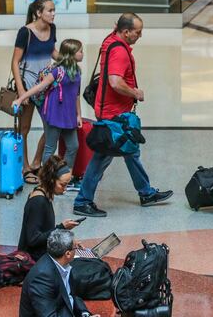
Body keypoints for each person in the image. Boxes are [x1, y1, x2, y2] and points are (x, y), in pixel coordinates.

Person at [73, 13, 173, 217]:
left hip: (110, 109)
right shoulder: (119, 51)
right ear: (126, 32)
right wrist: (135, 92)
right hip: (113, 114)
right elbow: (115, 81)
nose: (140, 36)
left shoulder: (110, 40)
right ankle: (82, 201)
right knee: (102, 157)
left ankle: (145, 192)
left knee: (131, 150)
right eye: (138, 32)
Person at [13, 39, 83, 180]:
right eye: (80, 51)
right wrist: (21, 98)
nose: (82, 54)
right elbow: (40, 86)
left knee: (73, 146)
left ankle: (64, 176)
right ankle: (47, 178)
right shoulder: (58, 71)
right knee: (50, 147)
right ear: (71, 54)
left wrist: (79, 115)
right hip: (54, 114)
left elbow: (76, 95)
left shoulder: (77, 72)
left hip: (69, 115)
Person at [13, 0, 59, 184]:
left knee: (52, 126)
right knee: (24, 128)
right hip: (27, 85)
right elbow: (15, 61)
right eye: (50, 10)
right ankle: (24, 167)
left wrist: (69, 57)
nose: (53, 14)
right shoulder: (26, 32)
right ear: (39, 13)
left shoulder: (52, 29)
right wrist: (21, 89)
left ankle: (36, 162)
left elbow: (52, 52)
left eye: (54, 10)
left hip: (45, 86)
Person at [19, 229, 99, 317]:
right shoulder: (42, 277)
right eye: (75, 248)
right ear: (68, 254)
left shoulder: (63, 264)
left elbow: (71, 295)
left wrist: (84, 314)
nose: (77, 250)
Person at [18, 156, 81, 261]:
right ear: (51, 180)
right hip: (33, 260)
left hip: (42, 254)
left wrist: (68, 242)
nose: (65, 190)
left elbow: (45, 232)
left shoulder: (44, 194)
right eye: (62, 185)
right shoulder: (38, 201)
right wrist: (61, 228)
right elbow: (33, 240)